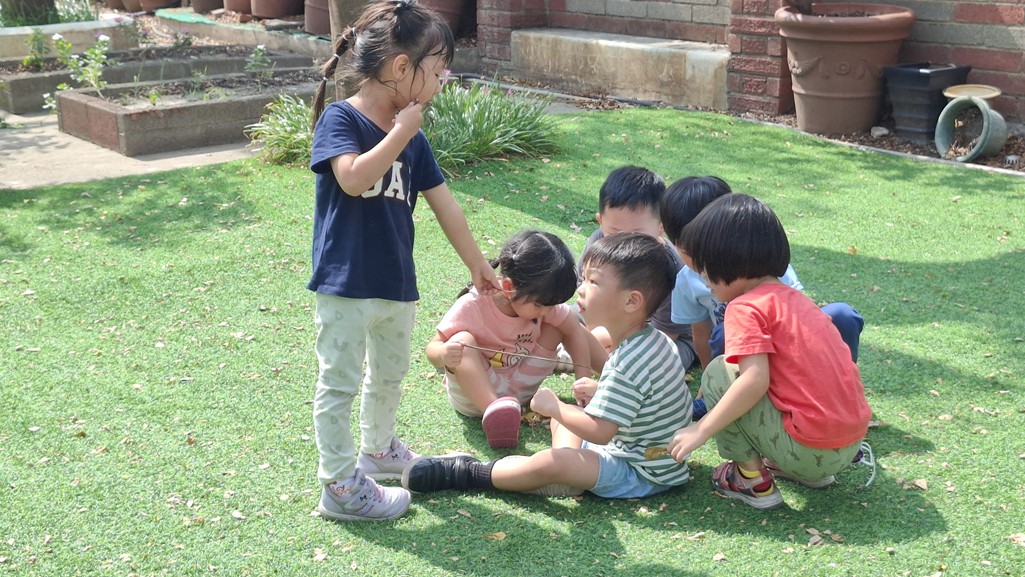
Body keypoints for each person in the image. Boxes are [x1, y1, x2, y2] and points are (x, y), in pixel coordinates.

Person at [308, 0, 500, 523]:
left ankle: (377, 450)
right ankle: (339, 486)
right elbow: (353, 179)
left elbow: (445, 205)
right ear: (400, 68)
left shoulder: (413, 140)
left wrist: (477, 264)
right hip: (345, 284)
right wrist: (400, 133)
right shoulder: (342, 119)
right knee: (339, 384)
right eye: (436, 72)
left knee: (389, 375)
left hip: (395, 282)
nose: (440, 83)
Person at [402, 233, 694, 499]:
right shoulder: (650, 342)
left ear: (631, 301)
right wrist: (597, 391)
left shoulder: (630, 360)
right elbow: (641, 399)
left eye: (593, 282)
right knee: (566, 429)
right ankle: (567, 475)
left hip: (639, 469)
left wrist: (555, 407)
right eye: (583, 279)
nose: (581, 290)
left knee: (555, 455)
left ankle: (469, 472)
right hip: (639, 449)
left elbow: (601, 432)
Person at [666, 194, 871, 510]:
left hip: (809, 450)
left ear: (728, 261)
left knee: (719, 372)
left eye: (705, 270)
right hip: (849, 444)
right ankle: (803, 471)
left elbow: (755, 380)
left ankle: (750, 479)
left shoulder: (745, 307)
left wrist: (700, 429)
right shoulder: (799, 302)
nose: (705, 281)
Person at [661, 176, 864, 419]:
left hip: (785, 347)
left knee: (841, 315)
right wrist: (710, 382)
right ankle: (730, 397)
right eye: (690, 247)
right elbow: (701, 333)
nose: (702, 258)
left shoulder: (765, 267)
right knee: (724, 332)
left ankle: (839, 392)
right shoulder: (686, 280)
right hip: (740, 354)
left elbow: (800, 318)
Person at [426, 230, 603, 449]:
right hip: (476, 396)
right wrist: (444, 354)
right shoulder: (473, 304)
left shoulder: (542, 304)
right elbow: (433, 348)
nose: (545, 312)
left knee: (566, 322)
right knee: (462, 341)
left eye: (550, 305)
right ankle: (497, 415)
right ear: (509, 288)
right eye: (539, 305)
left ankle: (613, 376)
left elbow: (574, 331)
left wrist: (582, 381)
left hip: (521, 385)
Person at [572, 166, 696, 373]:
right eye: (615, 232)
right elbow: (585, 290)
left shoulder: (671, 267)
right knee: (563, 316)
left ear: (661, 227)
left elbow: (667, 333)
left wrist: (606, 337)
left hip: (664, 337)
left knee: (655, 364)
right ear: (600, 222)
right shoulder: (597, 243)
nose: (625, 243)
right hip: (608, 314)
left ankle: (587, 356)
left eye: (637, 234)